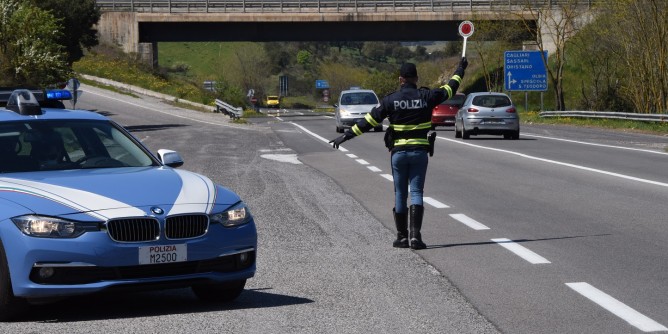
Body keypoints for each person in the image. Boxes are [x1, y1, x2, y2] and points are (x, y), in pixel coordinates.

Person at [329, 57, 468, 250]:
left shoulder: (390, 100)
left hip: (398, 153)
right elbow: (450, 88)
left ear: (400, 79)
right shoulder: (427, 96)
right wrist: (460, 69)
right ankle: (415, 238)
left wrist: (345, 137)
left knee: (400, 194)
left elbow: (368, 121)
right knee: (417, 192)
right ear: (416, 78)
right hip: (419, 152)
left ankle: (402, 237)